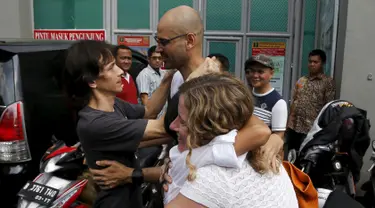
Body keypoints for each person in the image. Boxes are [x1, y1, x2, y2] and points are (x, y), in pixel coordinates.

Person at [90, 5, 282, 196]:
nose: (158, 49)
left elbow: (259, 130)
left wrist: (275, 139)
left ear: (190, 40)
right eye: (158, 41)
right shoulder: (175, 78)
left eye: (164, 42)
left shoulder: (214, 83)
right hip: (179, 185)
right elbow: (169, 130)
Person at [64, 40, 175, 208]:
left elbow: (149, 111)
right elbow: (163, 129)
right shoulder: (95, 123)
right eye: (110, 68)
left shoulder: (114, 103)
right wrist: (190, 91)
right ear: (92, 81)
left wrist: (169, 77)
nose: (121, 71)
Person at [165, 73, 298, 208]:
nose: (172, 126)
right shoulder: (259, 155)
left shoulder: (212, 177)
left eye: (183, 122)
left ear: (208, 129)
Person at [286, 49, 336, 153]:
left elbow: (328, 107)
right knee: (291, 157)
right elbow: (295, 101)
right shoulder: (302, 80)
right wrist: (289, 122)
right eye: (310, 61)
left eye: (315, 62)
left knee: (305, 159)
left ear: (323, 63)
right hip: (294, 127)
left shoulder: (327, 82)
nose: (312, 64)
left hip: (311, 130)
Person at [244, 54, 288, 157]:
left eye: (260, 72)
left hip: (260, 157)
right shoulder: (245, 95)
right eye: (252, 71)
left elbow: (278, 136)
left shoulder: (278, 102)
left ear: (271, 73)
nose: (255, 75)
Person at [136, 45, 167, 118]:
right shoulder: (144, 75)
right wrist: (150, 115)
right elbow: (144, 98)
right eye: (154, 58)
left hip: (163, 116)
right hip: (152, 117)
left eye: (159, 58)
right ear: (148, 59)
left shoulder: (164, 73)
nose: (157, 60)